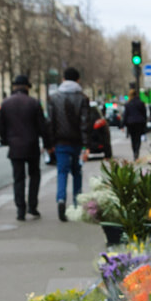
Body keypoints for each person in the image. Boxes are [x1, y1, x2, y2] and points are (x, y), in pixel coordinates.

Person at [0, 74, 49, 220]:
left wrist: (6, 141)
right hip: (32, 146)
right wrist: (47, 144)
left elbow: (1, 127)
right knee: (34, 176)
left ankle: (20, 209)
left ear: (14, 87)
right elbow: (42, 127)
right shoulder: (33, 103)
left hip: (15, 147)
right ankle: (32, 206)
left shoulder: (6, 103)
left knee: (18, 178)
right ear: (27, 87)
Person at [46, 67, 91, 221]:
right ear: (78, 80)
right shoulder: (83, 98)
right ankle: (77, 203)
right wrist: (86, 146)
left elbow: (50, 123)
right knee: (77, 172)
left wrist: (50, 144)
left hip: (60, 142)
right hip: (77, 142)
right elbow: (85, 124)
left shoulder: (53, 98)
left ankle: (61, 199)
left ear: (63, 79)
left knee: (62, 172)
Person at [123, 89, 149, 160]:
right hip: (139, 122)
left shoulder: (128, 104)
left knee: (133, 138)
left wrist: (123, 124)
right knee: (138, 138)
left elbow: (125, 115)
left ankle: (135, 151)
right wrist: (144, 122)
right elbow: (144, 114)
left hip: (131, 123)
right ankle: (137, 151)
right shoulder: (141, 103)